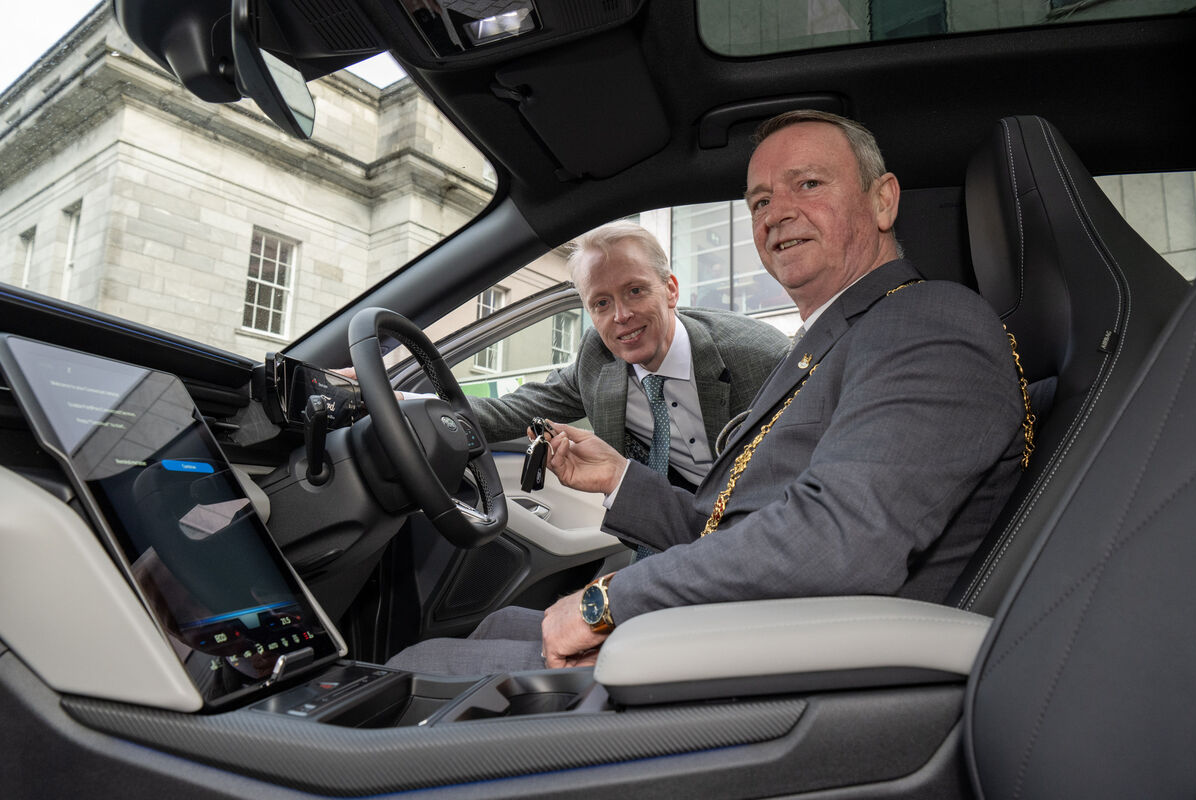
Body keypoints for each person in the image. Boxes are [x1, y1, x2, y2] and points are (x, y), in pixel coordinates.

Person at [386, 110, 1027, 675]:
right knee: (498, 625)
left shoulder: (929, 326)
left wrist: (608, 601)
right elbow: (724, 518)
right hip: (756, 619)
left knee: (418, 667)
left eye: (808, 184)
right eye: (758, 202)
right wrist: (617, 480)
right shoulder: (838, 338)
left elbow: (834, 543)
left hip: (798, 660)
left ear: (883, 201)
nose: (777, 213)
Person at [461, 221, 791, 489]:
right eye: (601, 303)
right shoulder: (598, 358)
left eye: (635, 291)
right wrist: (418, 404)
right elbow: (511, 411)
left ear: (671, 289)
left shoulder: (761, 358)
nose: (621, 315)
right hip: (670, 525)